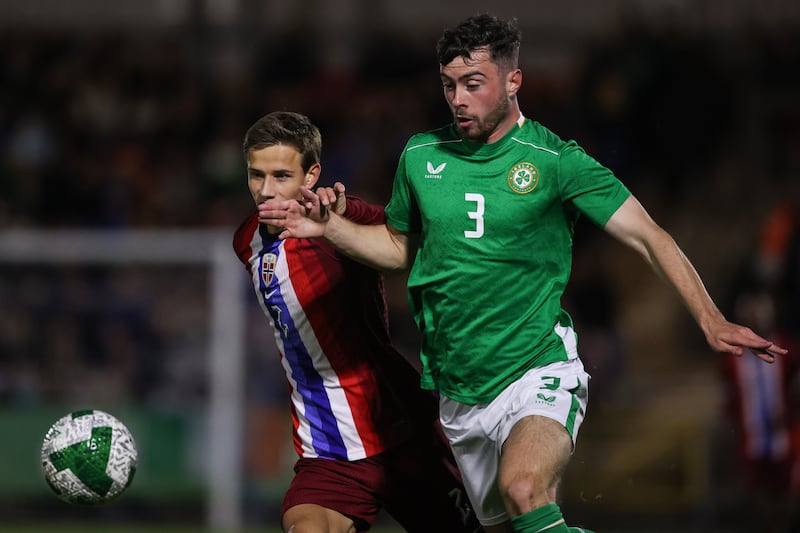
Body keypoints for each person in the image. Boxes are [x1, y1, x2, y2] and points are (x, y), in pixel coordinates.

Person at [257, 15, 788, 533]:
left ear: (514, 81)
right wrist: (328, 228)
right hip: (459, 391)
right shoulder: (421, 156)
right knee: (514, 522)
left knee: (524, 490)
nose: (458, 98)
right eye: (449, 85)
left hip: (536, 368)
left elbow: (650, 235)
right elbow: (399, 249)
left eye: (473, 83)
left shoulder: (557, 161)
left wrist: (710, 317)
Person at [232, 111, 481, 533]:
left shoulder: (336, 226)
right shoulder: (247, 240)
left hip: (401, 433)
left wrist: (343, 211)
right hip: (326, 449)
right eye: (256, 175)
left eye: (280, 175)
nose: (266, 191)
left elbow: (400, 234)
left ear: (311, 176)